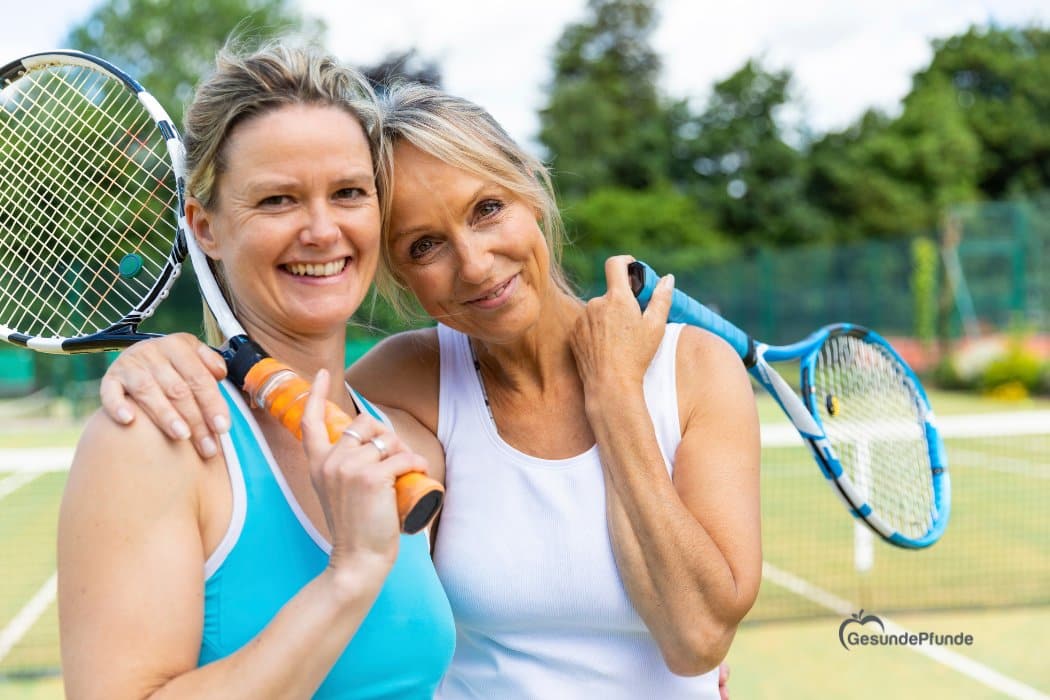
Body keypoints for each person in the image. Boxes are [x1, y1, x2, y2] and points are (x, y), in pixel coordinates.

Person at [100, 81, 762, 698]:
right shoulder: (405, 383)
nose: (474, 264)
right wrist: (162, 358)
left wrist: (616, 399)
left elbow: (697, 639)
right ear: (397, 272)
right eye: (424, 246)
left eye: (487, 209)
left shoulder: (694, 369)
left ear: (530, 188)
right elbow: (272, 440)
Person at [58, 44, 455, 699]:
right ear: (205, 227)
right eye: (278, 200)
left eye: (349, 193)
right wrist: (349, 576)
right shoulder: (152, 443)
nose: (323, 230)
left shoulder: (414, 450)